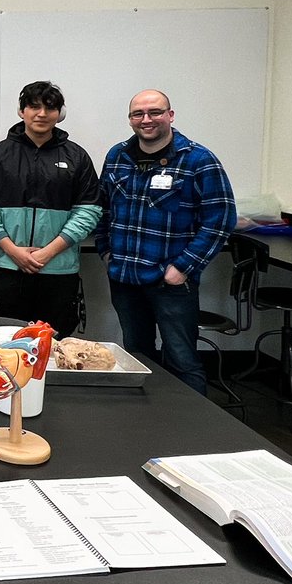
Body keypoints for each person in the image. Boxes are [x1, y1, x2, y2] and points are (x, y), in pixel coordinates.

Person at [95, 89, 236, 394]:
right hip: (125, 278)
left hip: (170, 282)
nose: (146, 120)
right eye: (138, 114)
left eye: (155, 112)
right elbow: (102, 209)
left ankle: (192, 436)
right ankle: (146, 429)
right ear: (130, 120)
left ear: (170, 115)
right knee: (136, 355)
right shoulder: (116, 156)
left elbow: (221, 219)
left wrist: (183, 267)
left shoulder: (198, 160)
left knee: (182, 360)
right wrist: (106, 252)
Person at [0, 81, 101, 338]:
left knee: (54, 343)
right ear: (22, 111)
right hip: (9, 267)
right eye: (34, 106)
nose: (42, 114)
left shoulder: (77, 157)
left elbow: (89, 211)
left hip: (58, 269)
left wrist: (46, 253)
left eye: (50, 107)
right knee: (10, 342)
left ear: (59, 114)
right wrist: (14, 252)